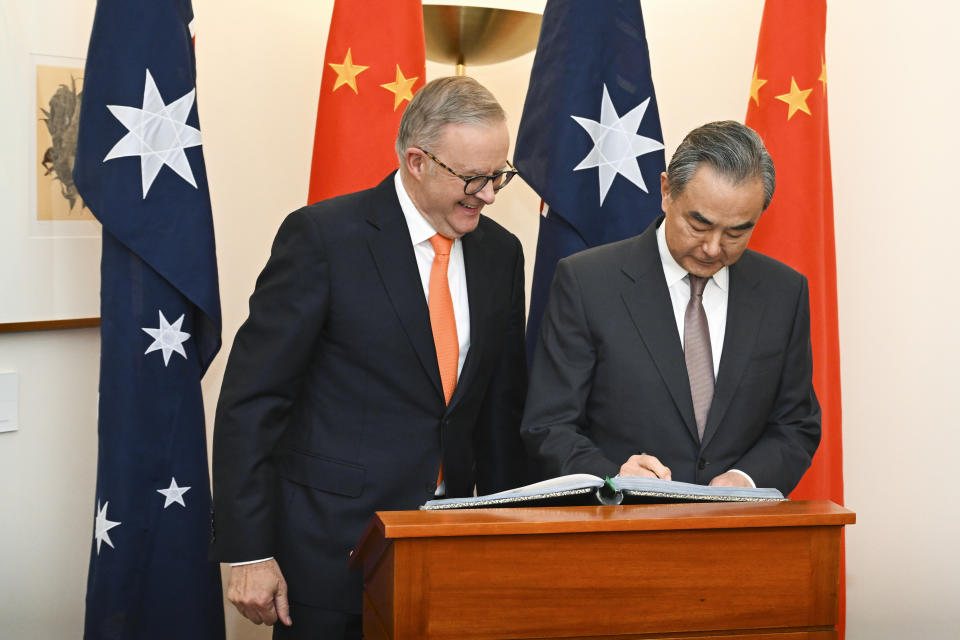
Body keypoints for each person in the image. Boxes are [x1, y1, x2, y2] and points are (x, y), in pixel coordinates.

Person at [211, 76, 529, 639]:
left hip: (446, 551)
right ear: (417, 161)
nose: (489, 194)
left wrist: (508, 539)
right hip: (331, 553)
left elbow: (499, 414)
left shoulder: (501, 253)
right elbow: (253, 400)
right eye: (475, 178)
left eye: (500, 174)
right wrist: (248, 550)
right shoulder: (323, 239)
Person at [520, 120, 820, 495]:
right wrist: (616, 475)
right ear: (666, 192)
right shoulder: (587, 282)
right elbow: (549, 426)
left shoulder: (783, 292)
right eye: (699, 224)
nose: (713, 247)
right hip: (622, 532)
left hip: (739, 532)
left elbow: (796, 424)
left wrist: (745, 480)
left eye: (736, 232)